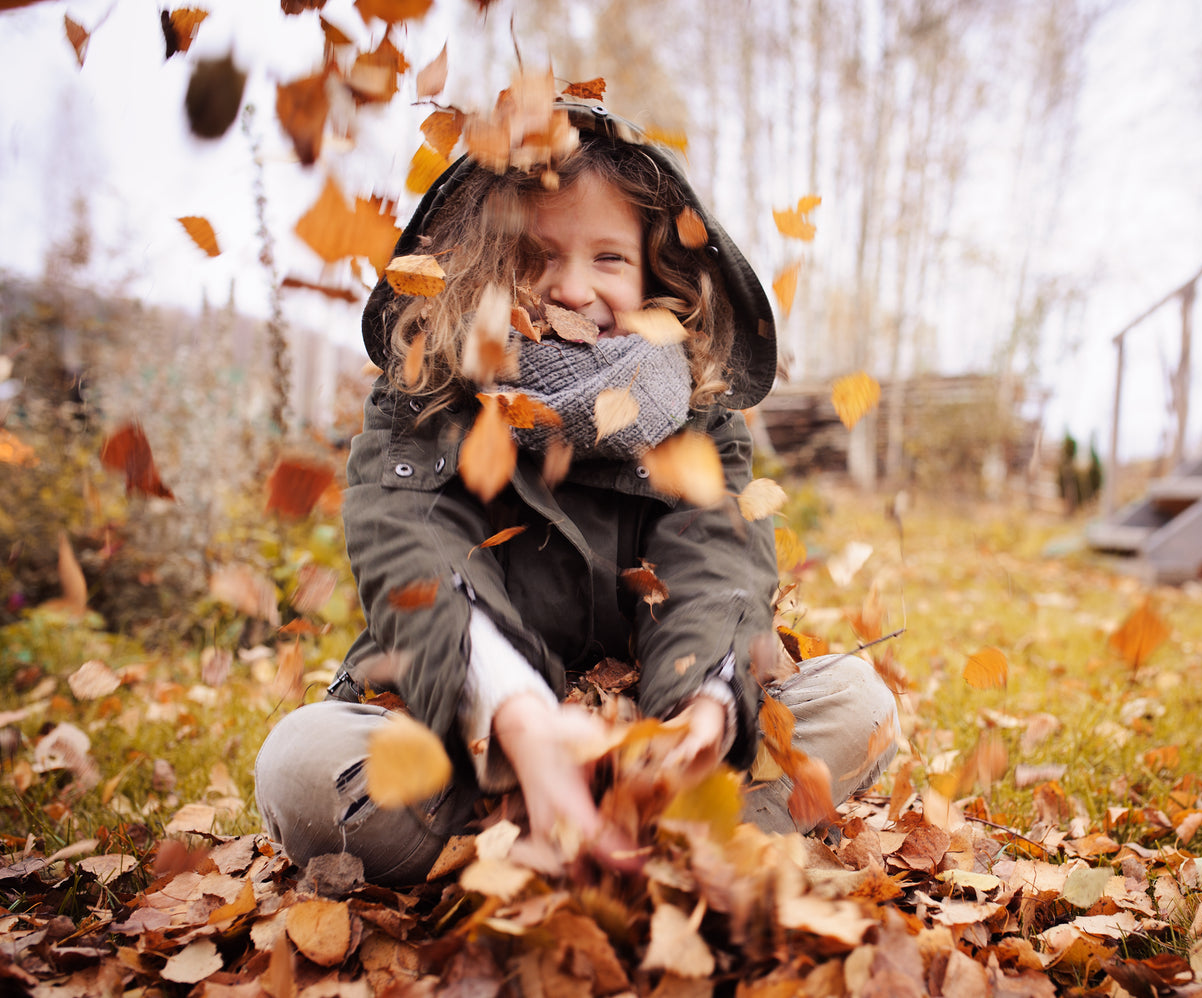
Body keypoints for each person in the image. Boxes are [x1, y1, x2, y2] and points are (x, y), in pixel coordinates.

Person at [254, 98, 899, 886]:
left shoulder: (699, 420)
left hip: (644, 748)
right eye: (537, 256)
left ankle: (637, 838)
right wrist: (519, 723)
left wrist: (701, 713)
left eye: (609, 259)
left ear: (657, 274)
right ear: (486, 267)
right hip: (471, 735)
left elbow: (719, 564)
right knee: (300, 764)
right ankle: (545, 841)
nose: (572, 288)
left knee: (855, 704)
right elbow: (414, 558)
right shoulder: (424, 400)